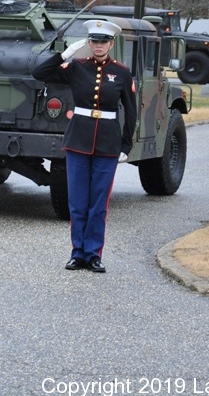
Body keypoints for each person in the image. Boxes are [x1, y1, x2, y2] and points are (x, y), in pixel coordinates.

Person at [32, 20, 137, 273]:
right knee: (77, 203)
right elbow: (39, 74)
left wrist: (126, 145)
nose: (99, 45)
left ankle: (93, 254)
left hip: (108, 144)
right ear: (88, 43)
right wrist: (64, 54)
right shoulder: (76, 67)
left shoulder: (121, 72)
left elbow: (131, 111)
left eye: (103, 41)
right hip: (78, 141)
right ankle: (77, 253)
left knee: (98, 204)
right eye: (94, 41)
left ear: (111, 44)